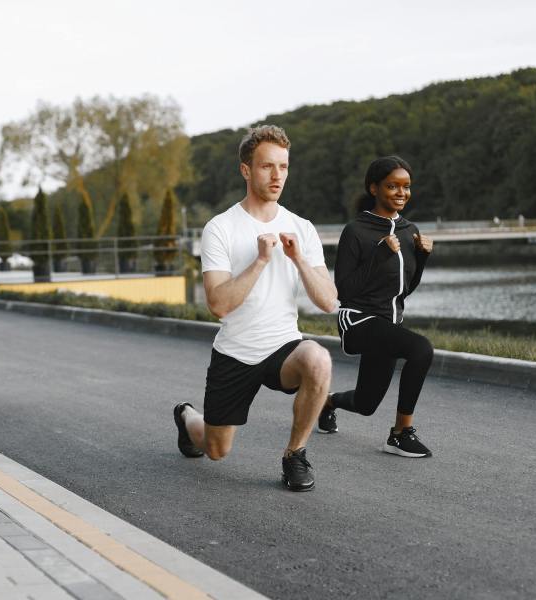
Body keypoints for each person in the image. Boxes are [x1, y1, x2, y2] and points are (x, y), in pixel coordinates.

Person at [173, 125, 338, 491]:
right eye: (267, 166)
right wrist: (261, 260)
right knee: (216, 450)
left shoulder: (301, 228)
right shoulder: (221, 228)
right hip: (236, 352)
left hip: (283, 347)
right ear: (246, 170)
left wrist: (299, 261)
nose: (277, 175)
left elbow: (328, 301)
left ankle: (295, 454)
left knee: (319, 359)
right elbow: (218, 304)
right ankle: (186, 417)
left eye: (283, 166)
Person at [317, 156, 436, 458]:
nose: (401, 192)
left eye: (406, 186)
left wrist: (421, 258)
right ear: (374, 188)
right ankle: (400, 434)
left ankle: (326, 402)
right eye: (392, 186)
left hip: (387, 324)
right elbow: (344, 291)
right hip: (357, 321)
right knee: (421, 349)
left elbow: (405, 288)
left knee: (366, 404)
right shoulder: (356, 231)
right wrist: (381, 253)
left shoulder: (410, 231)